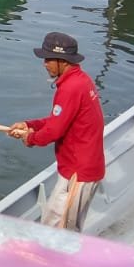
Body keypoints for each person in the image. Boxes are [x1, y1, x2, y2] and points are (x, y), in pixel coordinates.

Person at [7, 32, 105, 232]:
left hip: (78, 172)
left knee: (58, 231)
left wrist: (30, 137)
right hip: (81, 167)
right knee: (61, 226)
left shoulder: (70, 88)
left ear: (63, 61)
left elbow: (54, 131)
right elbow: (59, 121)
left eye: (48, 59)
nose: (44, 63)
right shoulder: (80, 80)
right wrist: (29, 124)